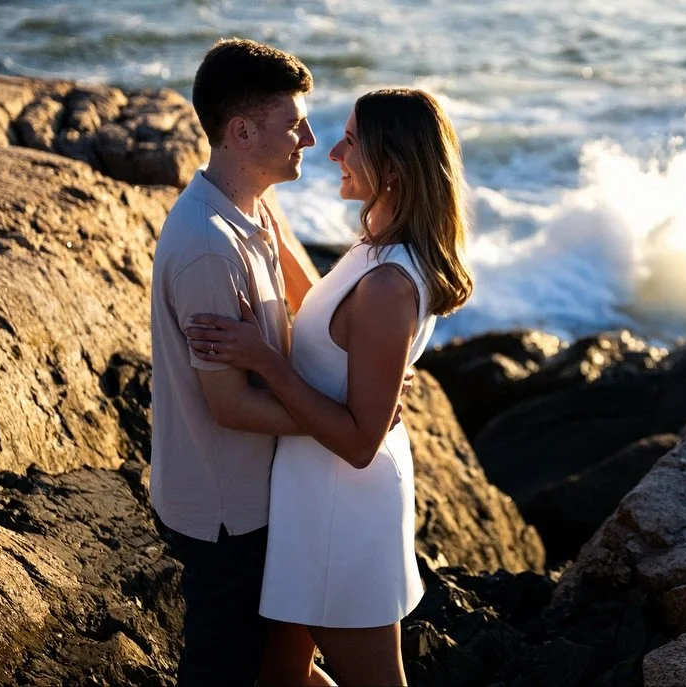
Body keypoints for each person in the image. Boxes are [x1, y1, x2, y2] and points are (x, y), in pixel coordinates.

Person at [184, 87, 474, 686]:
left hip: (345, 501)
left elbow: (360, 439)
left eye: (351, 141)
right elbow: (318, 306)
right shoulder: (379, 250)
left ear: (391, 167)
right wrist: (257, 211)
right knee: (280, 673)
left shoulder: (391, 283)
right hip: (313, 495)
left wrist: (265, 361)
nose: (333, 150)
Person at [149, 37, 333, 687]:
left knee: (283, 665)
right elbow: (227, 406)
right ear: (242, 130)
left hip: (258, 496)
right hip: (226, 510)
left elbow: (309, 301)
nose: (309, 137)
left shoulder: (251, 208)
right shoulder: (207, 248)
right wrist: (340, 420)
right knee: (225, 669)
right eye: (294, 122)